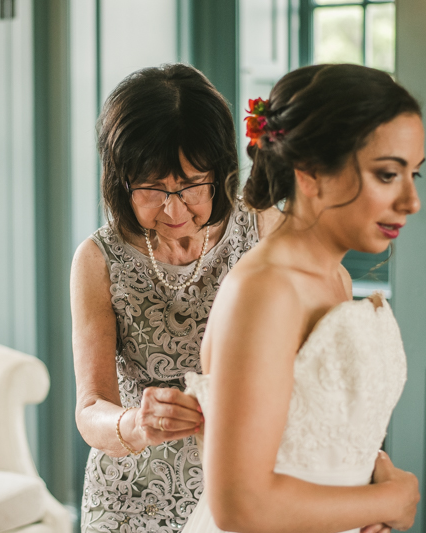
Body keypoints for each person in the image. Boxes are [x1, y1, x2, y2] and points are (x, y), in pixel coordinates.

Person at [182, 64, 424, 533]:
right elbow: (239, 505)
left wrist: (368, 493)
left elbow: (322, 430)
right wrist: (389, 501)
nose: (411, 200)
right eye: (389, 174)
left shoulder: (336, 279)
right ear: (311, 174)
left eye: (415, 174)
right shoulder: (265, 291)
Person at [71, 64, 284, 533]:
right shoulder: (97, 259)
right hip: (128, 499)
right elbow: (90, 412)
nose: (173, 209)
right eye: (151, 188)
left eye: (190, 185)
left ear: (221, 171)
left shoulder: (263, 228)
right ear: (120, 178)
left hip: (240, 491)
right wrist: (136, 424)